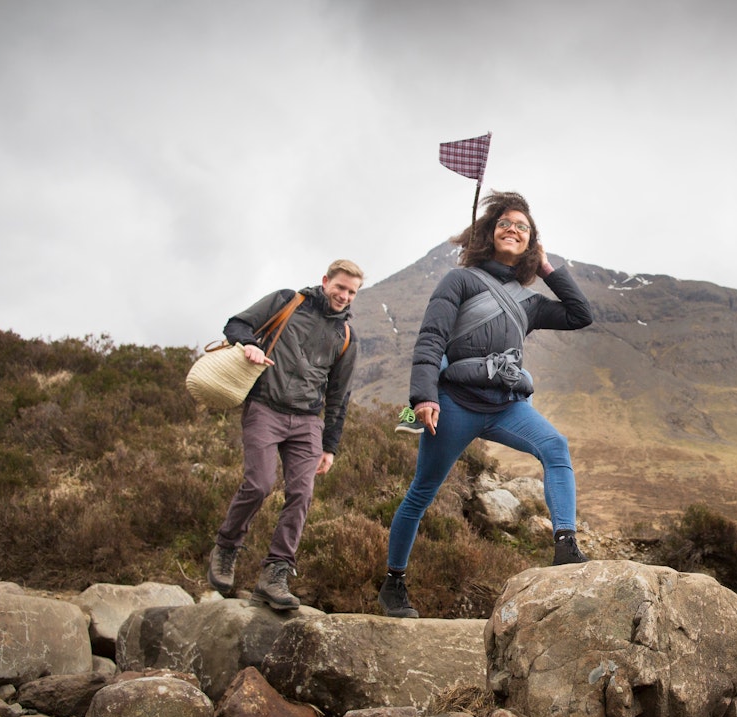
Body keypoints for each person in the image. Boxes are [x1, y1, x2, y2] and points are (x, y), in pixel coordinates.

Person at [379, 191, 593, 619]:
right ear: (489, 232)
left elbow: (580, 314)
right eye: (505, 224)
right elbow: (431, 340)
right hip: (455, 403)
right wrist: (423, 396)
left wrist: (547, 265)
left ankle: (566, 545)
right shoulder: (458, 281)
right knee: (421, 493)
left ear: (531, 241)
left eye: (523, 227)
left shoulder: (528, 301)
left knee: (555, 447)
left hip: (506, 405)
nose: (513, 229)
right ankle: (393, 583)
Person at [206, 259, 363, 610]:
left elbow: (339, 396)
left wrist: (330, 446)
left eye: (352, 292)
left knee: (301, 493)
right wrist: (249, 344)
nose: (344, 296)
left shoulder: (347, 337)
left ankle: (275, 573)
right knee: (260, 483)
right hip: (265, 407)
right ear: (326, 281)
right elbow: (237, 323)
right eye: (340, 287)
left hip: (308, 421)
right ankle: (227, 547)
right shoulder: (286, 301)